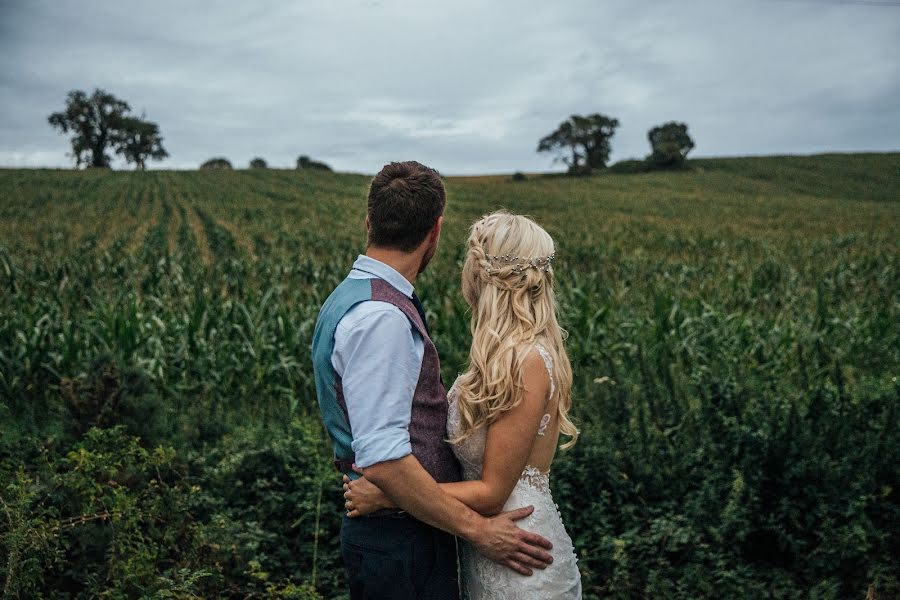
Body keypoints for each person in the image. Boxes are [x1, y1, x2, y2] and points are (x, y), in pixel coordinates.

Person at [311, 163, 555, 600]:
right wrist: (478, 530)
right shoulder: (382, 317)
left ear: (369, 222)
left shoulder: (356, 297)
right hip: (402, 540)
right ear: (435, 231)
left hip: (419, 528)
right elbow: (384, 460)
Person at [345, 210, 583, 598]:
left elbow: (492, 491)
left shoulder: (525, 361)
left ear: (481, 274)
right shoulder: (502, 357)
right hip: (491, 551)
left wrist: (390, 495)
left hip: (519, 557)